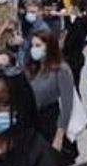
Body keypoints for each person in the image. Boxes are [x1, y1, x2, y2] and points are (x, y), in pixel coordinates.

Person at [25, 22, 75, 154]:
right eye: (32, 45)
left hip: (51, 122)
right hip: (34, 123)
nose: (34, 49)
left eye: (38, 45)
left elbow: (67, 105)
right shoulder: (33, 69)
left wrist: (59, 136)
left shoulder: (61, 69)